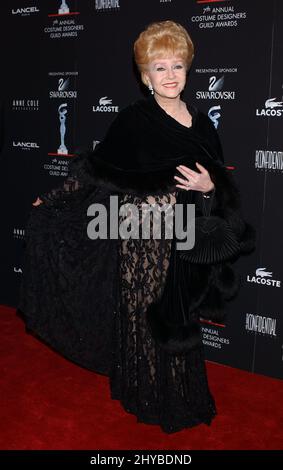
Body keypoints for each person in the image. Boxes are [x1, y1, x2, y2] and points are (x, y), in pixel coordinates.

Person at [18, 20, 254, 433]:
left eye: (176, 66)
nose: (169, 75)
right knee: (141, 313)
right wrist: (53, 200)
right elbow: (95, 172)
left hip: (180, 229)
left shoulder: (203, 125)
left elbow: (221, 191)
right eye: (159, 67)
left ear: (188, 70)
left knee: (177, 312)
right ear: (146, 76)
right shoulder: (132, 120)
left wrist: (208, 185)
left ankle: (180, 395)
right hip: (136, 229)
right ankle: (142, 392)